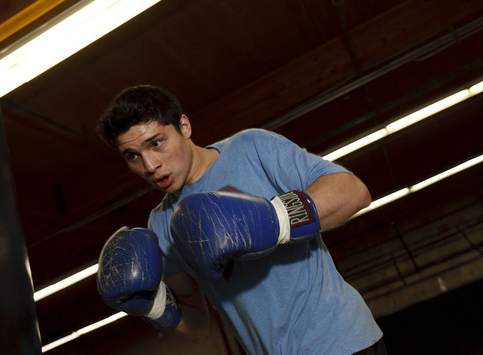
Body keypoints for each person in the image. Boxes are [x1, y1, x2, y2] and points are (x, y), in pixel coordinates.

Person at [95, 85, 386, 354]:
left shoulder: (251, 148)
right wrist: (155, 307)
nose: (150, 165)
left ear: (184, 127)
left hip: (341, 341)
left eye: (156, 143)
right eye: (132, 156)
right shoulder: (160, 223)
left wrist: (273, 219)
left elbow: (353, 192)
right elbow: (197, 324)